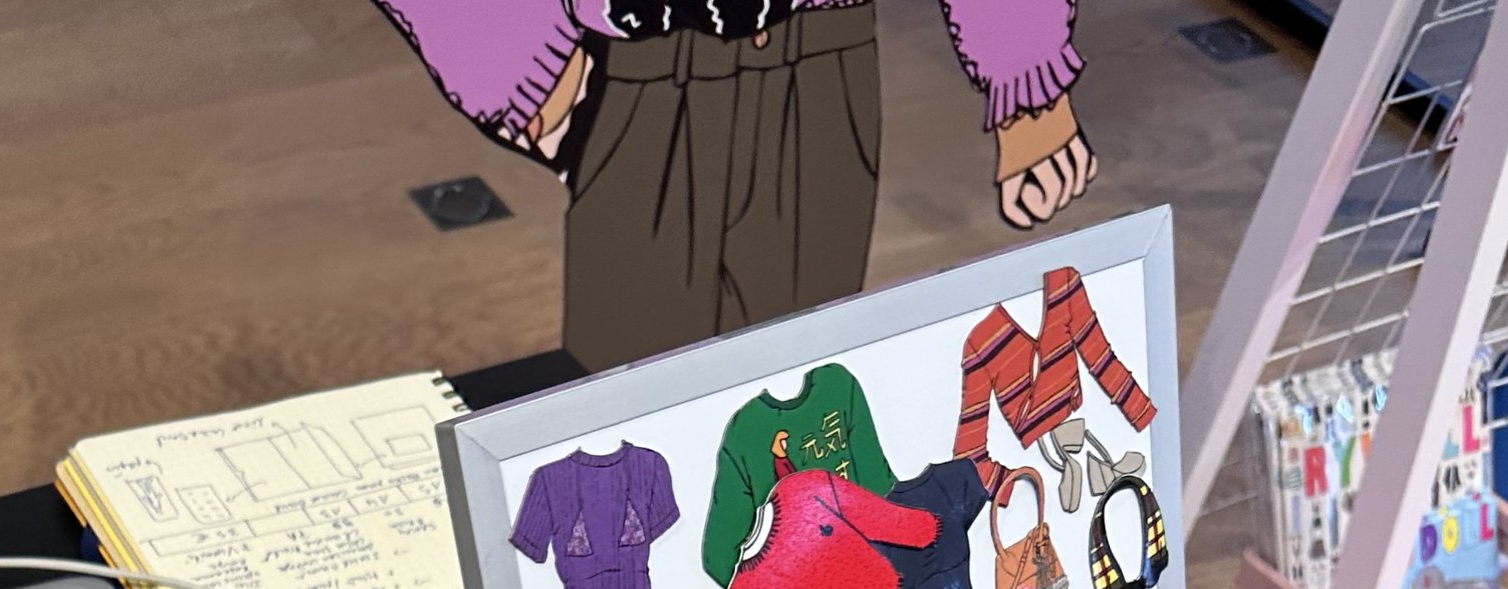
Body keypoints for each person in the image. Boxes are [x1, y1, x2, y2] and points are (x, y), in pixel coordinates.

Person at [367, 0, 1093, 373]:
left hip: (821, 66)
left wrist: (1025, 64)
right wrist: (510, 53)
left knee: (798, 393)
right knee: (623, 419)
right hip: (641, 63)